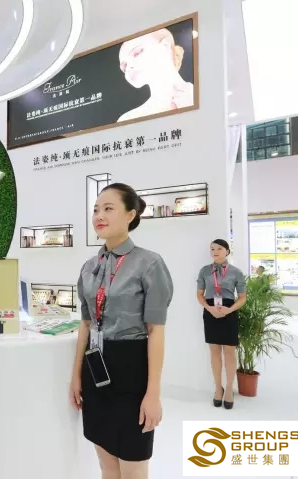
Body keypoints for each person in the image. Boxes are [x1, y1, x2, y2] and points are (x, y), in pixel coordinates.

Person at [70, 183, 174, 479]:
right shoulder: (89, 267)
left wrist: (153, 394)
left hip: (132, 371)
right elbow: (86, 324)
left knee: (134, 467)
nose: (99, 216)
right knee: (107, 465)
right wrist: (76, 376)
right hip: (95, 369)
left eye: (108, 208)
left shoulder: (149, 263)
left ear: (130, 215)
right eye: (95, 210)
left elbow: (156, 331)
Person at [196, 239, 247, 410]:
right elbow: (199, 295)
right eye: (212, 249)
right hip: (211, 312)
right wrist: (210, 308)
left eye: (219, 248)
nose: (215, 251)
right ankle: (218, 388)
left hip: (229, 312)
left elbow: (242, 298)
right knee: (215, 352)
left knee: (230, 352)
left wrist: (229, 310)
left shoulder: (236, 272)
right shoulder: (204, 271)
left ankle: (229, 389)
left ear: (227, 251)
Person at [117, 28, 194, 123]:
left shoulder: (202, 95)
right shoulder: (128, 119)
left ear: (165, 46)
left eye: (137, 53)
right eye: (124, 66)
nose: (129, 67)